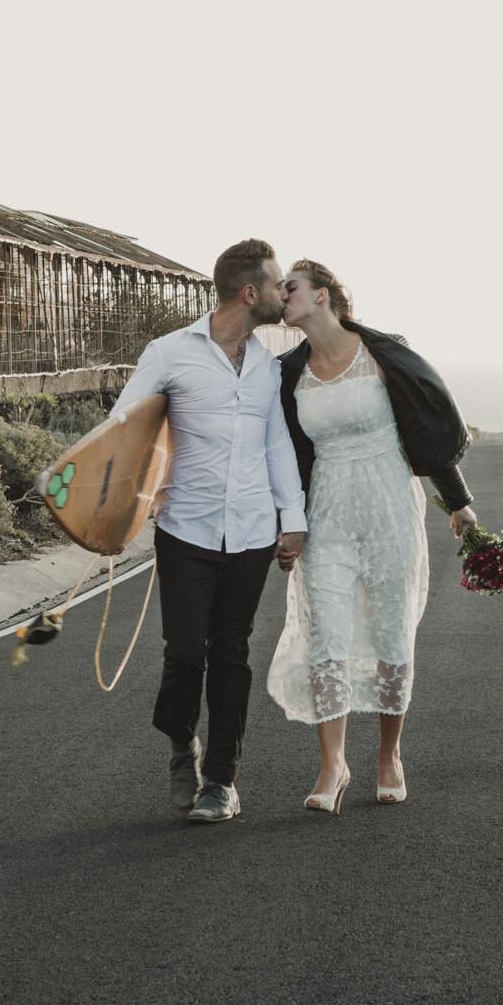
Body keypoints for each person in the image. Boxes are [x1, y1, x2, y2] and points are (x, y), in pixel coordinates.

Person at [266, 260, 476, 811]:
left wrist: (458, 501)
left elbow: (422, 426)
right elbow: (283, 455)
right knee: (326, 635)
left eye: (291, 287)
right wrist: (288, 526)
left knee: (390, 631)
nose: (280, 295)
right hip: (327, 511)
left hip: (388, 505)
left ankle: (389, 755)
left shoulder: (382, 354)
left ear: (323, 295)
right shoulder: (288, 370)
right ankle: (332, 765)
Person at [112, 239, 308, 824]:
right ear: (250, 294)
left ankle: (221, 780)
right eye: (276, 285)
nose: (283, 294)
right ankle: (181, 741)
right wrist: (135, 494)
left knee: (231, 654)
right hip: (185, 528)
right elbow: (124, 424)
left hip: (250, 530)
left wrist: (291, 520)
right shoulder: (170, 353)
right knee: (184, 652)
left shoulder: (269, 368)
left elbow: (277, 444)